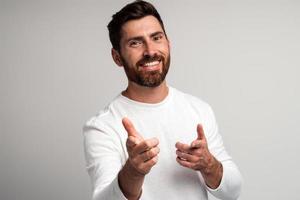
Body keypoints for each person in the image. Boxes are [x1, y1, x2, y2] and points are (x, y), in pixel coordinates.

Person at [83, 1, 242, 199]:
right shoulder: (102, 126)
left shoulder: (199, 110)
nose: (150, 51)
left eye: (156, 38)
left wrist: (209, 164)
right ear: (117, 57)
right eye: (135, 42)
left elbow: (233, 191)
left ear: (168, 44)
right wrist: (133, 171)